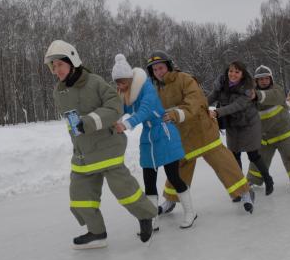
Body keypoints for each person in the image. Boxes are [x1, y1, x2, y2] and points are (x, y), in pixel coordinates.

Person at [44, 40, 157, 249]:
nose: (56, 70)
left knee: (125, 190)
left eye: (60, 64)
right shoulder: (58, 92)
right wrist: (77, 144)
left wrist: (87, 122)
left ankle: (145, 217)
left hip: (107, 147)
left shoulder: (94, 82)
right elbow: (72, 125)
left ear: (72, 61)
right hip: (83, 152)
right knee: (79, 196)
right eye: (53, 66)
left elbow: (115, 107)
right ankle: (97, 232)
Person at [146, 50, 255, 214]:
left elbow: (194, 102)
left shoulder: (185, 79)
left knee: (224, 163)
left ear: (168, 66)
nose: (158, 72)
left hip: (202, 131)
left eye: (161, 68)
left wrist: (175, 114)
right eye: (154, 70)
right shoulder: (157, 89)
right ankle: (170, 200)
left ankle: (245, 192)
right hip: (182, 136)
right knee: (179, 169)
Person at [112, 53, 197, 228]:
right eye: (117, 82)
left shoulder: (147, 87)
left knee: (174, 176)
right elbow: (122, 109)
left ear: (129, 78)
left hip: (165, 132)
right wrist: (111, 118)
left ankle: (190, 211)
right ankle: (152, 218)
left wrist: (126, 124)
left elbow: (144, 111)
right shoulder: (127, 93)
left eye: (122, 81)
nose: (119, 85)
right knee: (149, 179)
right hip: (148, 137)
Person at [207, 61, 274, 196]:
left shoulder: (248, 89)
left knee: (253, 155)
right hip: (233, 125)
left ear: (242, 74)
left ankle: (268, 179)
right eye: (231, 71)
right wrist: (199, 105)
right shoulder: (221, 85)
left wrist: (217, 112)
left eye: (237, 72)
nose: (233, 74)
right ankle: (242, 189)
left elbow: (236, 106)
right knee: (234, 156)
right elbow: (211, 97)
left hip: (249, 124)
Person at [247, 65, 290, 194]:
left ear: (271, 79)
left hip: (283, 133)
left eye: (266, 79)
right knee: (259, 160)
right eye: (260, 79)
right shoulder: (251, 96)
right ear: (256, 81)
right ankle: (253, 180)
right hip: (265, 137)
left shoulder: (277, 90)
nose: (264, 81)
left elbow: (273, 96)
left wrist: (256, 95)